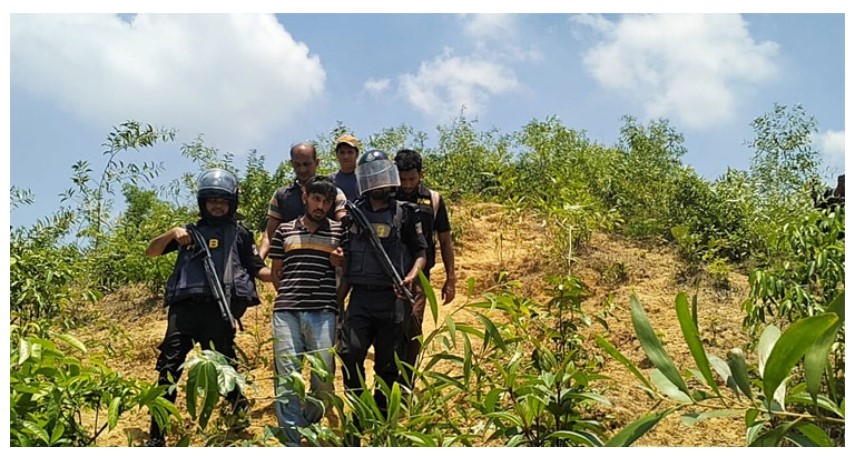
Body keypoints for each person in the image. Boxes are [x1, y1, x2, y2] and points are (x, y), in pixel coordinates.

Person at [145, 168, 272, 447]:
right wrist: (172, 232)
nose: (217, 205)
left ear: (231, 203)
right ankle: (157, 437)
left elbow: (255, 267)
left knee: (225, 368)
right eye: (212, 200)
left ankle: (238, 414)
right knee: (168, 371)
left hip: (219, 309)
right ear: (203, 202)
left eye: (223, 201)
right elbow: (151, 251)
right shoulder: (188, 233)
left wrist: (279, 276)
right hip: (185, 311)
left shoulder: (240, 234)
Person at [337, 150, 427, 428]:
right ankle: (358, 408)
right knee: (349, 353)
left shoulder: (406, 213)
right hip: (360, 298)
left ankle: (379, 415)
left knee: (388, 364)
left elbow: (421, 252)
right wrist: (336, 298)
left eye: (382, 176)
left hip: (393, 299)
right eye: (372, 177)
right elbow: (345, 258)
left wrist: (411, 276)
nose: (378, 183)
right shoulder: (352, 215)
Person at [268, 176, 346, 446]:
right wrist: (289, 294)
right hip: (287, 312)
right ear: (305, 198)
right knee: (288, 377)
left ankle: (309, 428)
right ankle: (293, 443)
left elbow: (346, 272)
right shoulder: (285, 231)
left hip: (324, 311)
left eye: (326, 201)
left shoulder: (339, 232)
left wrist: (339, 265)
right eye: (316, 198)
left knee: (323, 377)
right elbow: (276, 272)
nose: (320, 206)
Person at [393, 149, 456, 374]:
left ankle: (407, 380)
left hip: (420, 276)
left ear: (421, 174)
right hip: (389, 272)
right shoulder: (387, 196)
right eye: (402, 179)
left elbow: (445, 241)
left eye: (412, 178)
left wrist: (451, 278)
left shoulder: (433, 199)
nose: (407, 184)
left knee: (413, 326)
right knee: (390, 328)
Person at [259, 141, 347, 260]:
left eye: (307, 164)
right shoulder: (281, 195)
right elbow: (269, 235)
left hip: (325, 266)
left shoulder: (335, 193)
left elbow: (343, 228)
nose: (302, 169)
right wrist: (259, 262)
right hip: (292, 266)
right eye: (297, 165)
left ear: (317, 163)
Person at [329, 134, 361, 201]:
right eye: (342, 152)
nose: (346, 156)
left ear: (357, 154)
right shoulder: (331, 180)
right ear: (337, 155)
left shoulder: (364, 177)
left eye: (350, 152)